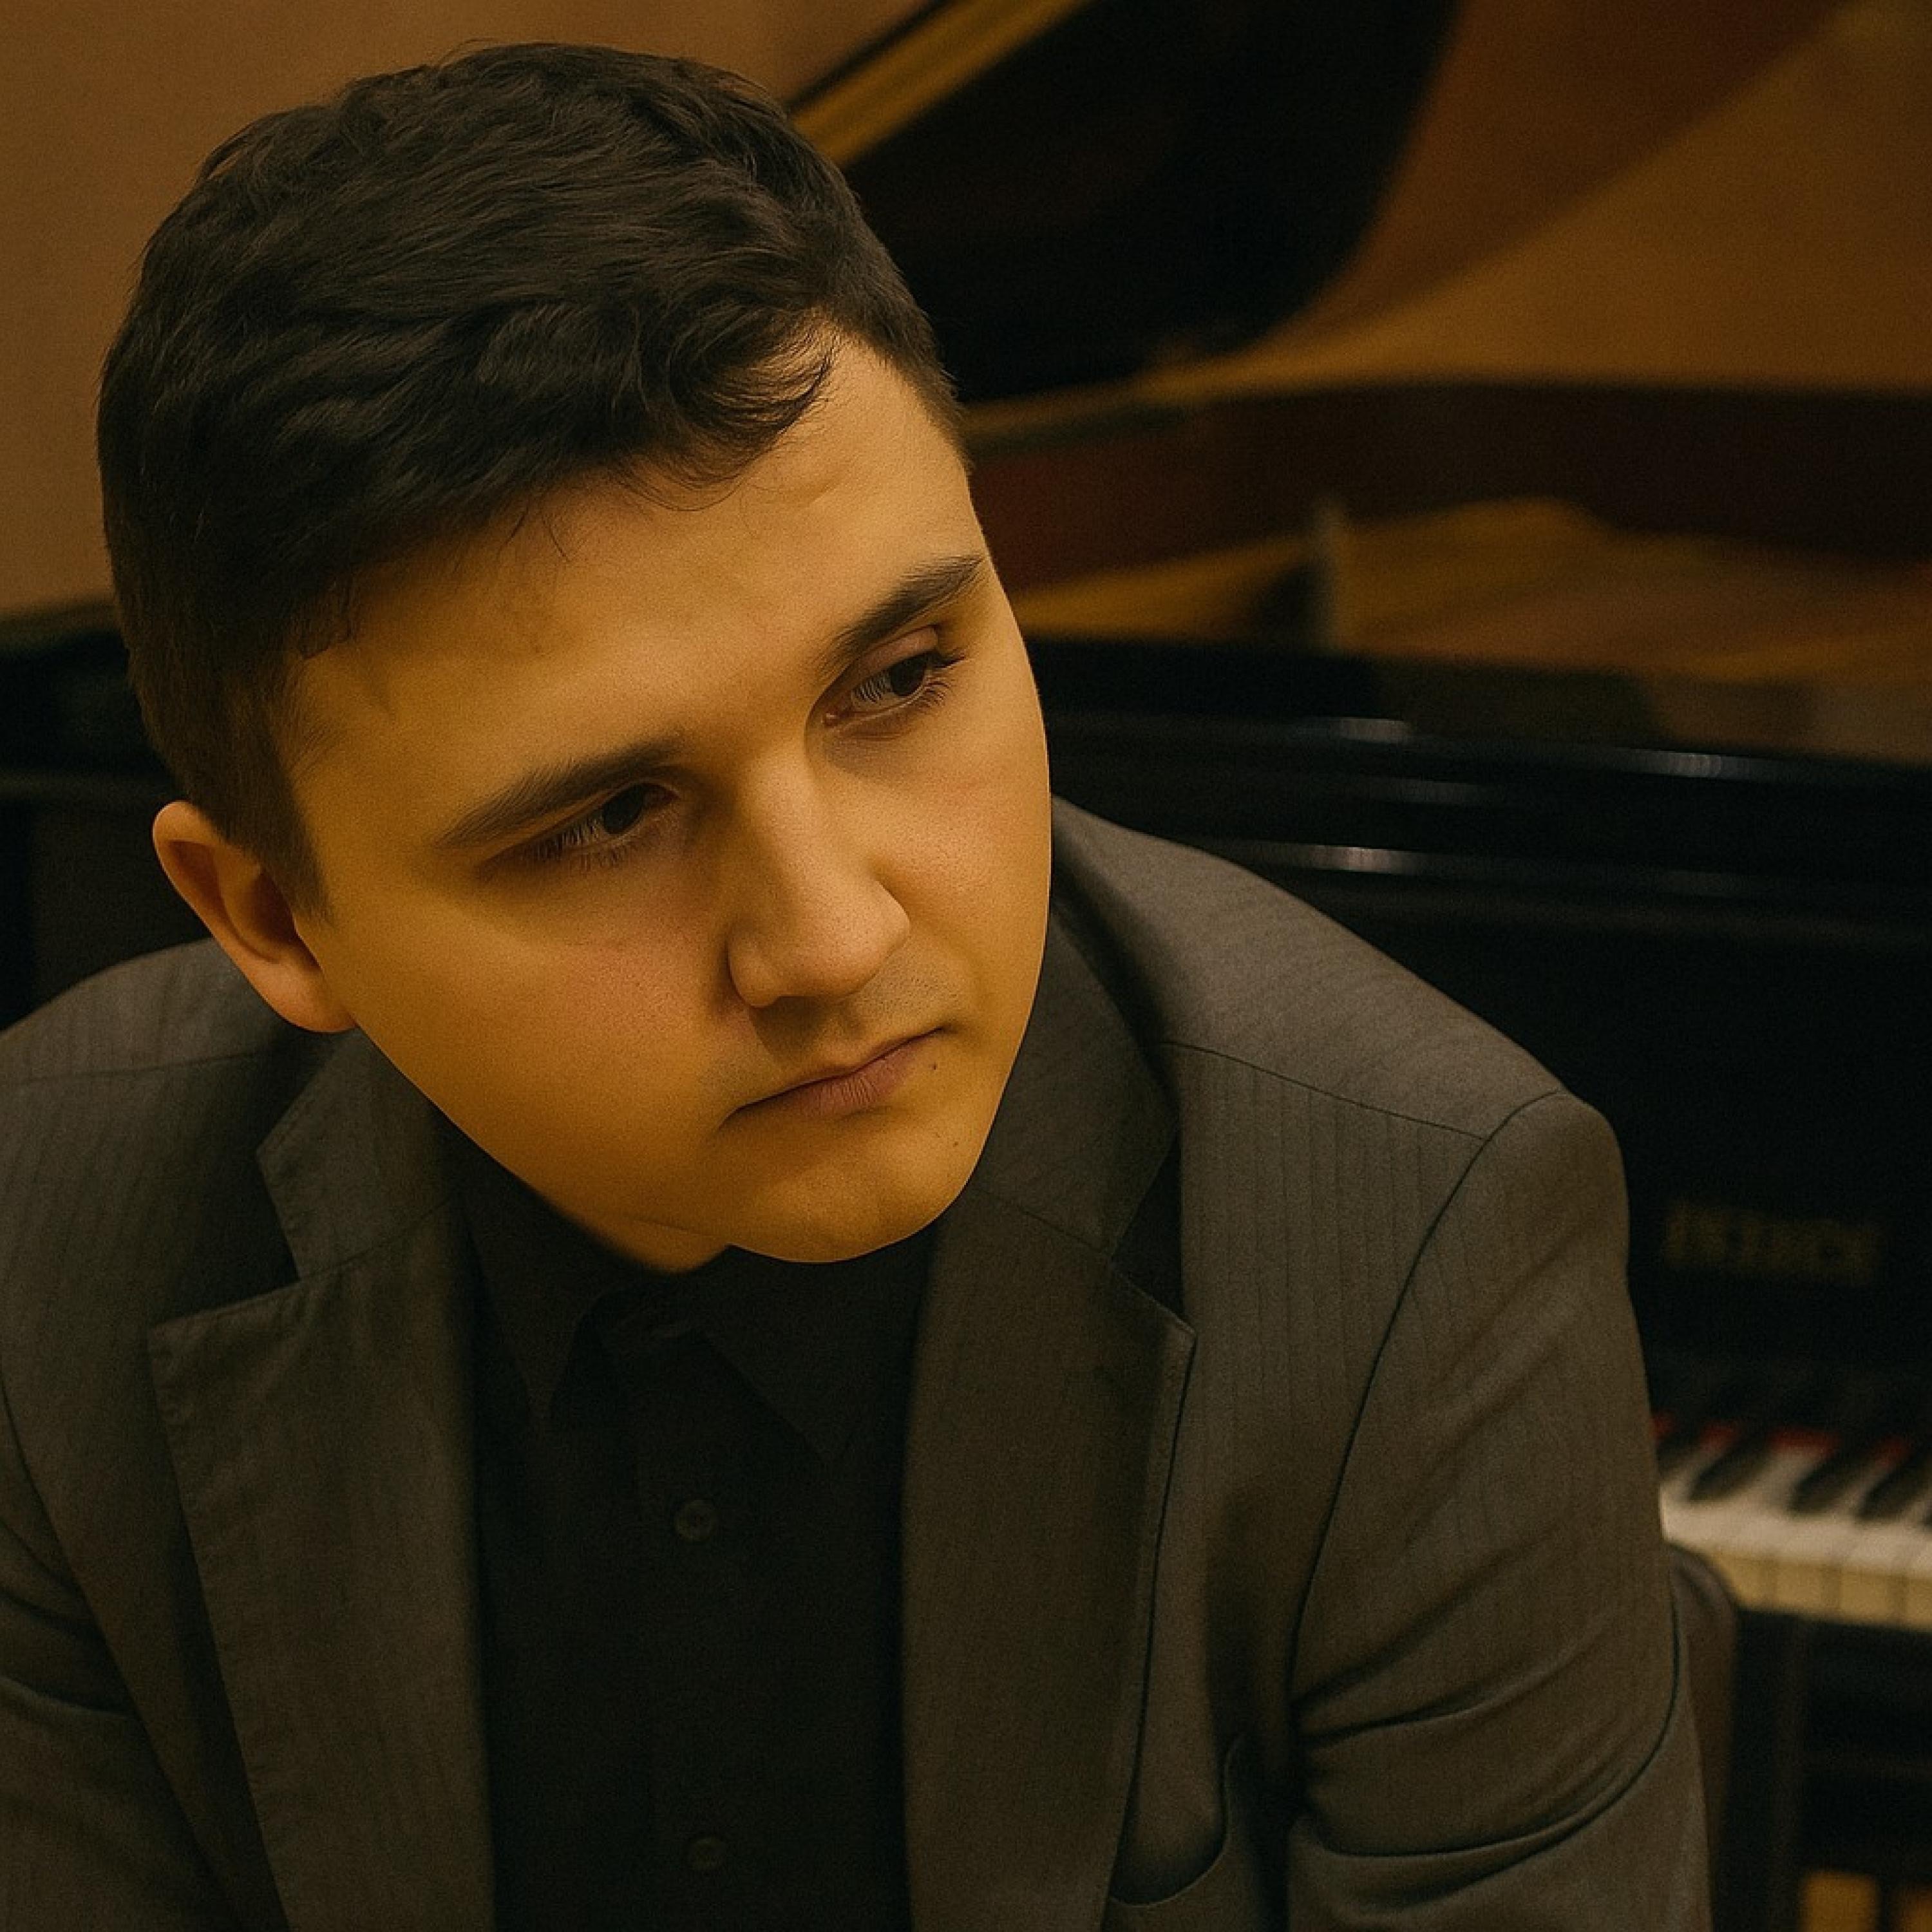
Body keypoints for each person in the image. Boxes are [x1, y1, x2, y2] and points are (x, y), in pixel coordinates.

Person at [0, 41, 1709, 1931]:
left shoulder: (1417, 1234)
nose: (834, 943)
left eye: (899, 680)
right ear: (271, 918)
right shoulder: (42, 1234)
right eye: (608, 818)